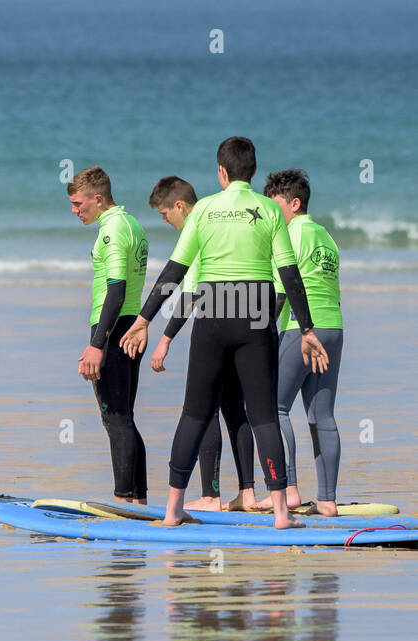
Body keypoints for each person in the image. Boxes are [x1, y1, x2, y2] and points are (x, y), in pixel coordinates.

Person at [120, 137, 330, 528]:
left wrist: (146, 318)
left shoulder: (205, 211)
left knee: (195, 413)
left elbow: (175, 272)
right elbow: (289, 273)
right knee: (264, 415)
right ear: (252, 170)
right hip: (254, 310)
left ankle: (172, 511)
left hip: (213, 309)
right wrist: (307, 328)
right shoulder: (268, 208)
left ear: (221, 171)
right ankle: (282, 514)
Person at [146, 175, 256, 511]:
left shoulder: (200, 226)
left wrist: (165, 338)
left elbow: (191, 292)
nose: (165, 221)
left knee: (203, 409)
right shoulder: (225, 219)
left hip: (215, 328)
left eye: (165, 214)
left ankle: (211, 495)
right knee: (235, 409)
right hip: (248, 319)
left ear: (179, 206)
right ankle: (248, 493)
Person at [252, 169, 344, 516]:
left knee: (272, 408)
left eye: (276, 207)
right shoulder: (327, 237)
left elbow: (280, 293)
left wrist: (259, 334)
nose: (272, 214)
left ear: (294, 203)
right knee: (322, 414)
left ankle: (288, 489)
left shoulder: (289, 234)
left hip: (301, 329)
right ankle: (328, 499)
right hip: (334, 328)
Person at [69, 167, 149, 504]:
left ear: (98, 198)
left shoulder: (112, 230)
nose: (75, 210)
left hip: (113, 328)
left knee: (114, 418)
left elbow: (116, 289)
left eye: (78, 203)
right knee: (123, 418)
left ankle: (122, 501)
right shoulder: (132, 225)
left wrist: (96, 344)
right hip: (128, 324)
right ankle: (138, 500)